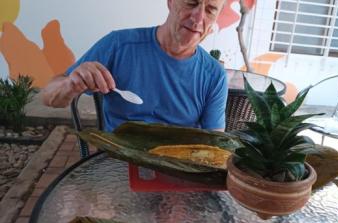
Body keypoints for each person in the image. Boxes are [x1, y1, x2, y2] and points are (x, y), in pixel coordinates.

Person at [41, 0, 228, 132]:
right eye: (191, 2)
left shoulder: (214, 75)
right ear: (171, 2)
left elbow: (214, 142)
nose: (198, 18)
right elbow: (49, 97)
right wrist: (71, 84)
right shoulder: (119, 45)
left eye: (211, 10)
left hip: (178, 170)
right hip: (118, 164)